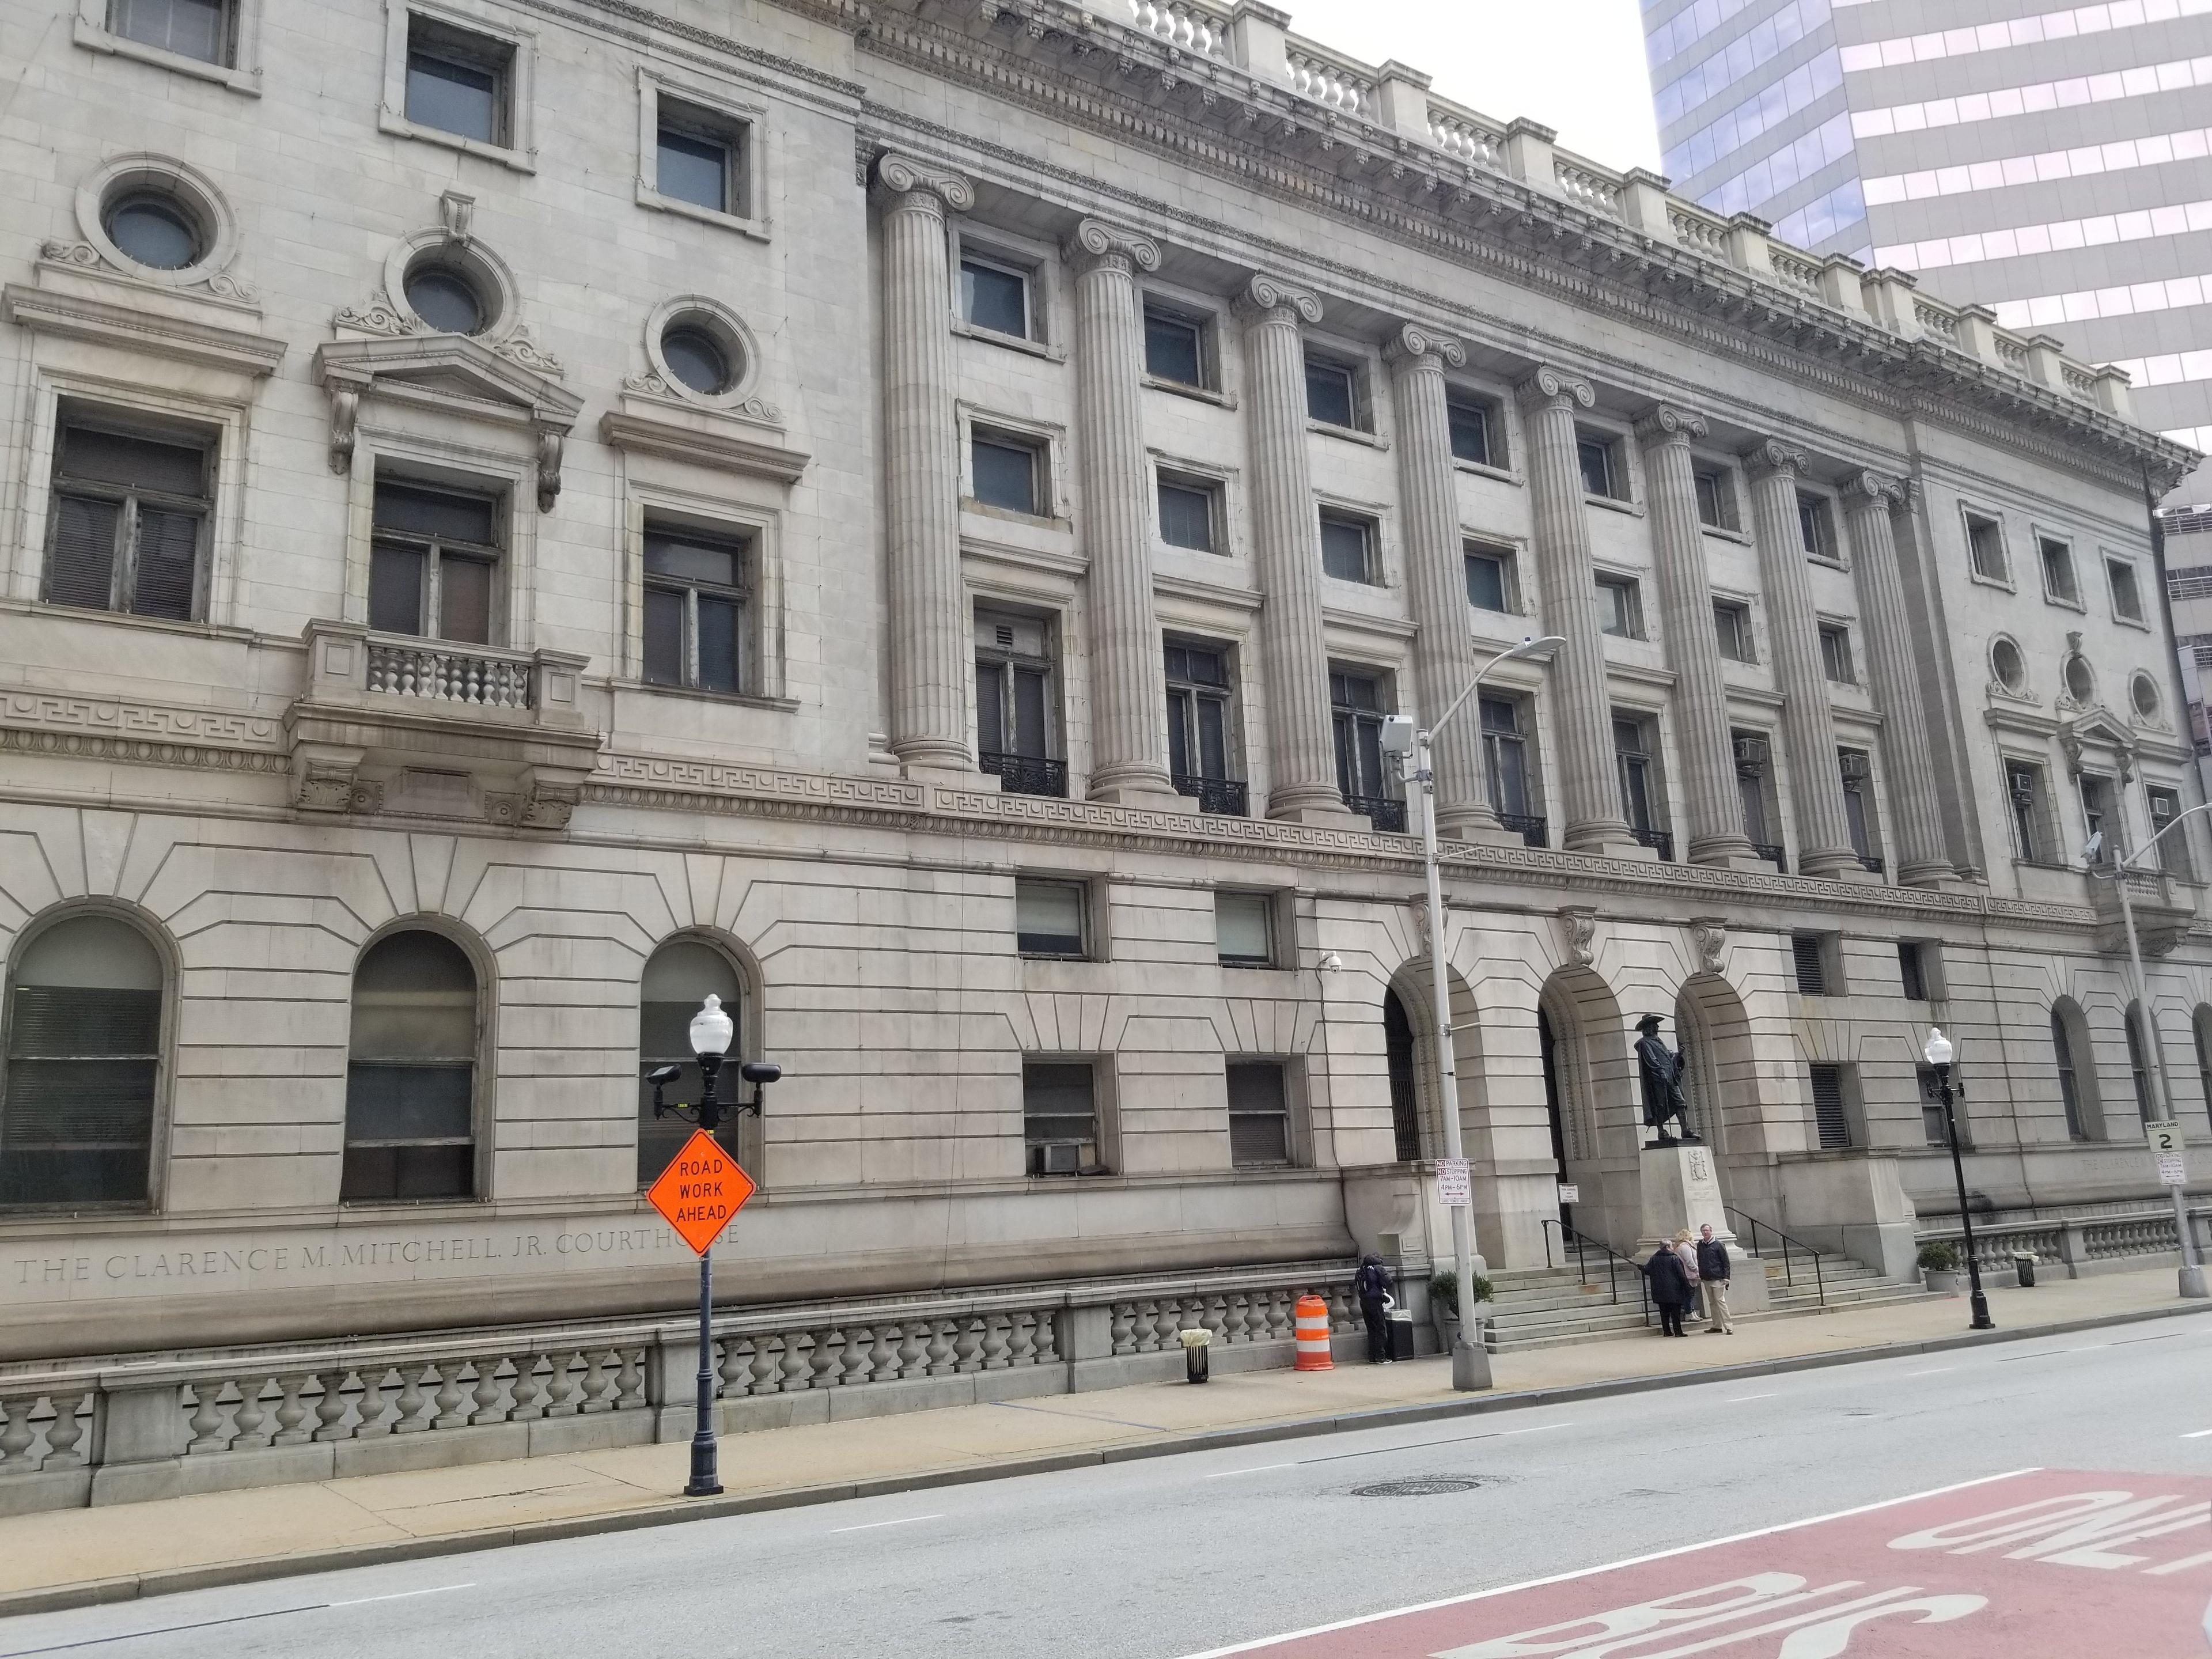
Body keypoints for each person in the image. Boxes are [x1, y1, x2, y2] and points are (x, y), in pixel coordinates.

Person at [1643, 1238, 1692, 1337]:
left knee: (1664, 1312)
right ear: (1667, 1247)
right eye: (1671, 1246)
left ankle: (1667, 1331)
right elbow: (1681, 1275)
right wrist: (1687, 1287)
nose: (1672, 1248)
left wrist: (1642, 1268)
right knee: (1675, 1313)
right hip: (1674, 1289)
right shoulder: (1674, 1259)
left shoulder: (1654, 1258)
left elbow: (1648, 1271)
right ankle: (1678, 1331)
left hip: (1659, 1290)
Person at [1353, 1253, 1396, 1363]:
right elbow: (1388, 1282)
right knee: (1380, 1328)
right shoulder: (1377, 1268)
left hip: (1364, 1301)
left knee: (1371, 1329)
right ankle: (1381, 1357)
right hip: (1375, 1301)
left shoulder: (1361, 1269)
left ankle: (1372, 1356)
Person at [1696, 1222, 1735, 1334]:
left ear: (1711, 1231)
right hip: (1706, 1278)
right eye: (1703, 1231)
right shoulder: (1700, 1245)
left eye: (1707, 1230)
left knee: (1720, 1301)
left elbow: (1726, 1262)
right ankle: (1717, 1325)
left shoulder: (1718, 1244)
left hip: (1718, 1278)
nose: (1705, 1232)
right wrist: (1701, 1275)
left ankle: (1728, 1326)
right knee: (1712, 1303)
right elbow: (1699, 1260)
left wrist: (1726, 1277)